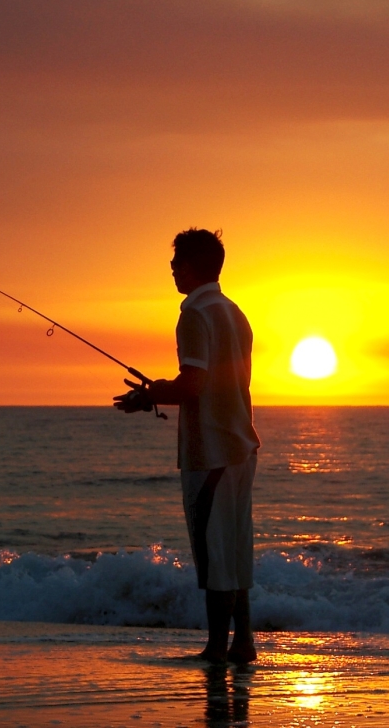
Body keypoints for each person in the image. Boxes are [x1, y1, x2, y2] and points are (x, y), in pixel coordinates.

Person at [115, 229, 260, 662]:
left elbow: (193, 384)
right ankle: (244, 641)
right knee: (235, 548)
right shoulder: (234, 312)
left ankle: (217, 648)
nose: (173, 268)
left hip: (211, 449)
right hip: (241, 443)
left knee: (214, 551)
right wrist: (159, 390)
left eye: (177, 262)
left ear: (193, 266)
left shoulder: (194, 314)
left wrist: (150, 395)